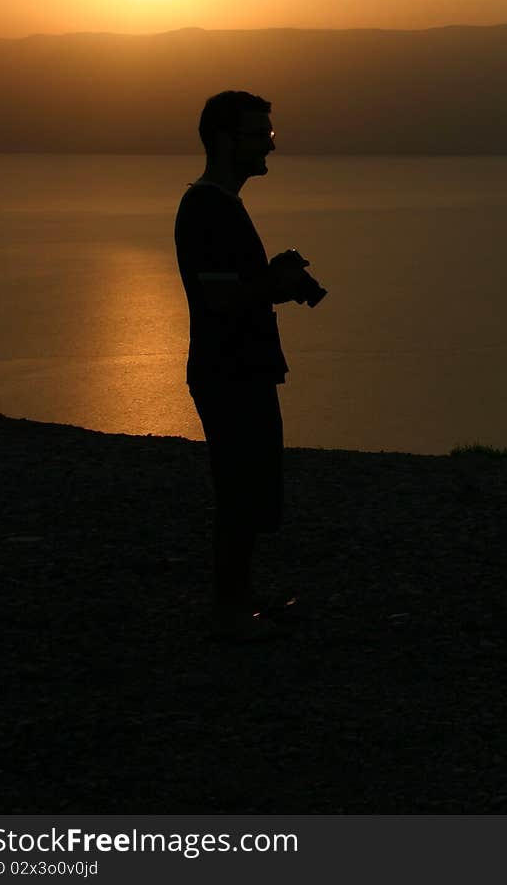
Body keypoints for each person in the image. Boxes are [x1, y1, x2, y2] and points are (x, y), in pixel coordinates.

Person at [174, 90, 311, 642]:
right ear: (227, 140)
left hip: (243, 367)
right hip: (226, 370)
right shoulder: (207, 207)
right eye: (260, 135)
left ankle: (241, 600)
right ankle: (230, 614)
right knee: (237, 491)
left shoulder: (223, 205)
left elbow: (235, 290)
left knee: (250, 488)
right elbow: (221, 299)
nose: (269, 146)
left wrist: (272, 282)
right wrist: (275, 283)